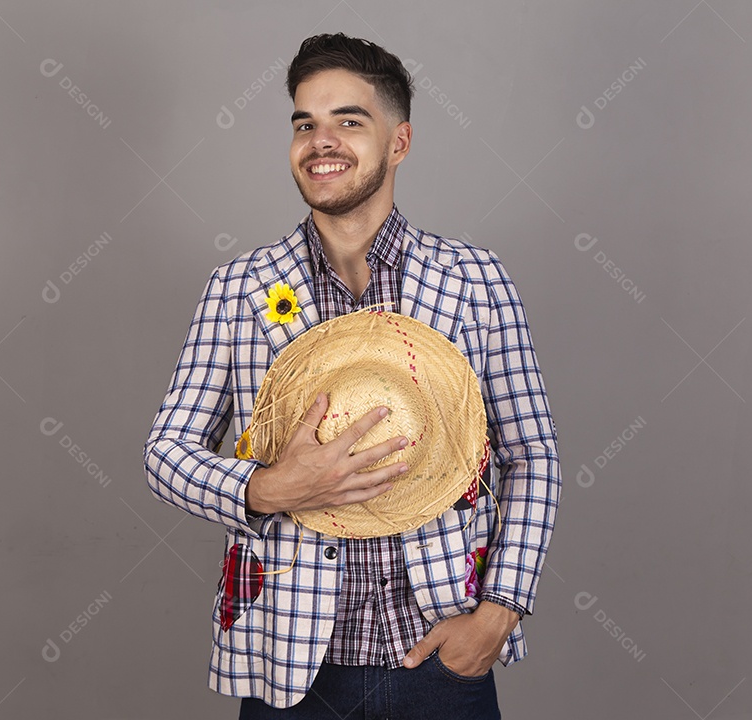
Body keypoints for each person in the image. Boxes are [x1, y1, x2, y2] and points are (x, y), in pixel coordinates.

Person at [143, 32, 560, 719]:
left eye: (349, 121)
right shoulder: (239, 288)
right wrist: (268, 487)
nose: (321, 141)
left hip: (438, 657)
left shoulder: (476, 282)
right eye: (305, 123)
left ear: (399, 143)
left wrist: (500, 611)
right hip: (287, 664)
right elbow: (165, 455)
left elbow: (532, 454)